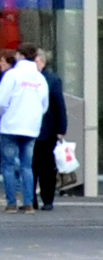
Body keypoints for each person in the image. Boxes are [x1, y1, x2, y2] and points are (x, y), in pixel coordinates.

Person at [0, 49, 42, 211]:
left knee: (9, 165)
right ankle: (29, 203)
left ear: (21, 56)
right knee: (27, 166)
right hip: (30, 127)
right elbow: (43, 103)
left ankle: (12, 203)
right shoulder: (39, 78)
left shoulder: (12, 75)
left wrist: (3, 115)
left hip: (11, 126)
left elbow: (2, 101)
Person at [32, 62, 68, 210]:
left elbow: (59, 104)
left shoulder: (52, 80)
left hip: (48, 129)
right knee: (32, 167)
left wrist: (61, 129)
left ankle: (48, 200)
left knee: (46, 168)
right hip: (33, 129)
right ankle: (31, 200)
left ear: (42, 62)